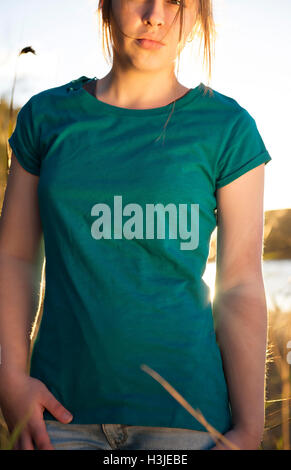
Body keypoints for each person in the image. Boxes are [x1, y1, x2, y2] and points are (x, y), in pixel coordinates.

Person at [0, 0, 272, 451]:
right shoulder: (44, 119)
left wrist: (248, 432)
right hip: (58, 419)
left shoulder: (228, 128)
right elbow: (15, 256)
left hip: (189, 424)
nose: (155, 15)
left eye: (176, 3)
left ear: (197, 14)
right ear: (105, 5)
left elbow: (241, 280)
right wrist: (9, 378)